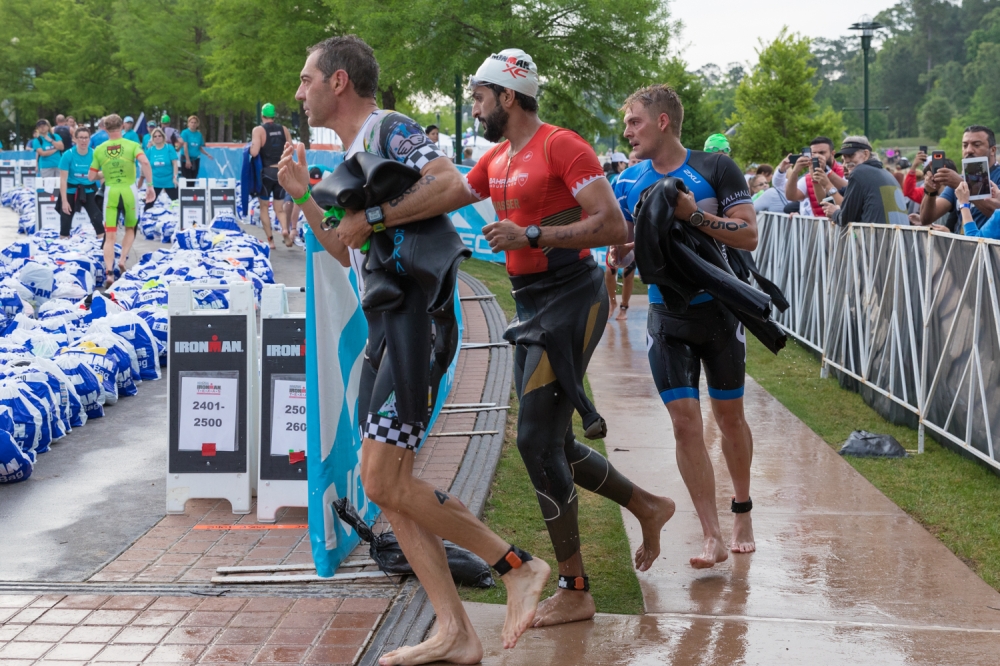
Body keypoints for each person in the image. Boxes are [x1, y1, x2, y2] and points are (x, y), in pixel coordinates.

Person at [277, 35, 551, 664]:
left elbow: (451, 183)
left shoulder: (389, 128)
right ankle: (455, 630)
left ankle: (516, 566)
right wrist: (301, 195)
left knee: (383, 479)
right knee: (389, 487)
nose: (300, 91)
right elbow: (347, 248)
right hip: (387, 324)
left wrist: (372, 219)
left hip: (414, 326)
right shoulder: (351, 153)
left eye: (306, 78)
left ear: (338, 81)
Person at [462, 49, 675, 628]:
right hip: (531, 305)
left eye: (480, 96)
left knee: (535, 441)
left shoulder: (562, 145)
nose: (474, 108)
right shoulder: (498, 157)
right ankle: (647, 506)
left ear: (508, 96)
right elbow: (451, 194)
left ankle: (576, 589)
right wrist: (377, 212)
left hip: (573, 297)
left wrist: (532, 232)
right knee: (547, 440)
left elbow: (613, 224)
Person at [615, 82, 758, 568]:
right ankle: (711, 533)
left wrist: (694, 216)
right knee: (684, 424)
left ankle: (741, 507)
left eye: (634, 121)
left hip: (717, 313)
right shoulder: (629, 181)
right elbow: (618, 238)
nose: (627, 130)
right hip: (666, 317)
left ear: (661, 121)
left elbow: (749, 236)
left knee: (729, 419)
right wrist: (623, 250)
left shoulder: (715, 168)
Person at [88, 114, 154, 287]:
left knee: (110, 235)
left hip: (111, 192)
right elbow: (145, 163)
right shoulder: (132, 145)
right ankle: (123, 258)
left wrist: (106, 172)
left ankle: (109, 272)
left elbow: (91, 176)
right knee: (130, 228)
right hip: (129, 190)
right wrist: (150, 186)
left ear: (105, 128)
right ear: (122, 126)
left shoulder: (100, 149)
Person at [918, 126, 1000, 230]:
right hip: (963, 245)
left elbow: (997, 215)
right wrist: (930, 191)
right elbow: (926, 219)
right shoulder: (958, 180)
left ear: (992, 150)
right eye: (965, 145)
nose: (969, 150)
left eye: (976, 145)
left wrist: (962, 184)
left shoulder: (997, 176)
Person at [820, 137, 908, 226]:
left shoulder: (859, 172)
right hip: (898, 238)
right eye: (844, 158)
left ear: (866, 154)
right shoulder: (887, 174)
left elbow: (845, 218)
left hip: (877, 237)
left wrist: (835, 212)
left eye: (851, 155)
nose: (846, 162)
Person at [250, 103, 290, 248]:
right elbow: (290, 150)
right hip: (281, 171)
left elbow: (254, 152)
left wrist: (248, 149)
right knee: (279, 207)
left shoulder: (259, 130)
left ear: (262, 116)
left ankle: (271, 240)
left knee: (264, 207)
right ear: (274, 116)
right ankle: (285, 229)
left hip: (266, 173)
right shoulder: (284, 129)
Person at [778, 136, 846, 217]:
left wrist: (826, 171)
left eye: (821, 153)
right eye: (813, 153)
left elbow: (847, 190)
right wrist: (795, 172)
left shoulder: (845, 172)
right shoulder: (808, 177)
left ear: (832, 154)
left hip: (843, 225)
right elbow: (791, 196)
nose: (817, 156)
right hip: (819, 226)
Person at [58, 126, 103, 239]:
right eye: (81, 138)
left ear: (89, 139)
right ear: (75, 139)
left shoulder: (95, 154)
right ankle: (64, 246)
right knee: (65, 222)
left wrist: (104, 193)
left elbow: (102, 175)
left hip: (89, 189)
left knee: (97, 219)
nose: (83, 140)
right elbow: (63, 180)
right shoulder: (67, 155)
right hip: (71, 190)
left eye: (86, 138)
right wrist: (64, 201)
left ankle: (102, 246)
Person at [139, 128, 179, 209]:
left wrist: (175, 177)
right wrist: (147, 180)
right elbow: (146, 166)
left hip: (169, 181)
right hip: (155, 181)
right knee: (148, 205)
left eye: (159, 136)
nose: (157, 137)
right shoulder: (150, 150)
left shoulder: (169, 148)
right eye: (155, 136)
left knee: (176, 203)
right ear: (152, 138)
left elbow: (175, 164)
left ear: (163, 137)